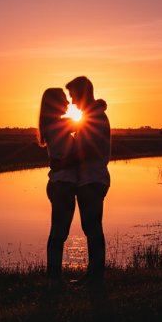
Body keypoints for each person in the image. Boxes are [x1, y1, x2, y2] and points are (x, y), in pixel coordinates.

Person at [66, 76, 110, 284]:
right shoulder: (92, 116)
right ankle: (94, 274)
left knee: (92, 227)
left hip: (92, 180)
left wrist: (64, 159)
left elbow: (89, 150)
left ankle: (95, 275)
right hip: (91, 179)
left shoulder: (95, 118)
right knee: (91, 227)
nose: (72, 102)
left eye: (73, 96)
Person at [37, 87, 79, 283]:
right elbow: (85, 124)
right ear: (54, 103)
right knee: (58, 233)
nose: (68, 103)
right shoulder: (57, 126)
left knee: (59, 232)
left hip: (60, 184)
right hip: (62, 185)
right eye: (63, 99)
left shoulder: (54, 125)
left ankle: (54, 276)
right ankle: (54, 277)